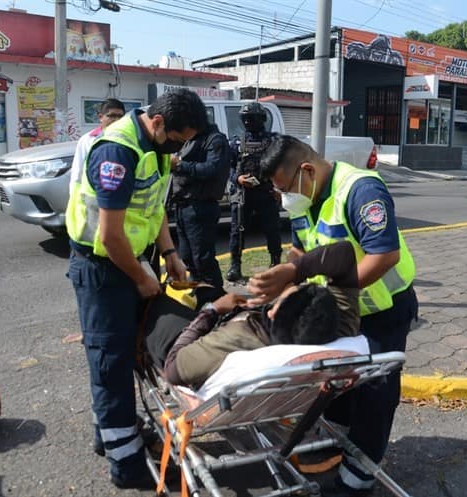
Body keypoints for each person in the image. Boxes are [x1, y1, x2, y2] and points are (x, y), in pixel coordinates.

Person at [251, 135, 418, 497]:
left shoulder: (359, 190)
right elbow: (300, 249)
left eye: (285, 188)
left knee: (375, 393)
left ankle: (359, 478)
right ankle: (340, 442)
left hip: (383, 310)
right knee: (335, 383)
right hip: (341, 308)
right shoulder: (304, 199)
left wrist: (314, 284)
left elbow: (382, 255)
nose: (284, 197)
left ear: (307, 170)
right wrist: (286, 285)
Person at [65, 91, 189, 490]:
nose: (179, 147)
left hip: (131, 260)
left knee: (125, 356)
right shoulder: (116, 152)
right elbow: (110, 234)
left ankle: (111, 432)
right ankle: (127, 466)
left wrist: (169, 252)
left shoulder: (153, 146)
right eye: (177, 138)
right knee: (110, 364)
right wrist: (140, 277)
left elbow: (155, 206)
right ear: (157, 123)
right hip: (104, 267)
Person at [164, 240, 360, 390]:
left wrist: (211, 310)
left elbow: (172, 370)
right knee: (205, 290)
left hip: (204, 333)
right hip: (244, 322)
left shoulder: (233, 339)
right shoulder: (341, 329)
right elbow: (346, 254)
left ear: (274, 312)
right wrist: (294, 270)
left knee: (164, 307)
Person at [170, 89, 231, 287]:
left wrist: (179, 165)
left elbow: (211, 169)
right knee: (188, 257)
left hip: (201, 206)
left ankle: (216, 298)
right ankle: (200, 293)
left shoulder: (215, 140)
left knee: (203, 259)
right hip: (183, 205)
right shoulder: (188, 139)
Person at [226, 102, 282, 282]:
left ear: (262, 119)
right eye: (246, 118)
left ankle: (276, 262)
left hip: (266, 191)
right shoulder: (236, 142)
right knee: (237, 230)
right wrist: (238, 179)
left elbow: (281, 167)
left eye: (252, 118)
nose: (248, 122)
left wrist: (279, 188)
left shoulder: (274, 141)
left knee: (272, 229)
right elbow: (228, 168)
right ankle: (235, 265)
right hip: (243, 194)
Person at [69, 98, 125, 195]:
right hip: (92, 196)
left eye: (120, 116)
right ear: (100, 117)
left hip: (120, 195)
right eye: (111, 116)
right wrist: (74, 196)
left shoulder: (129, 139)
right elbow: (77, 173)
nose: (116, 120)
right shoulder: (87, 140)